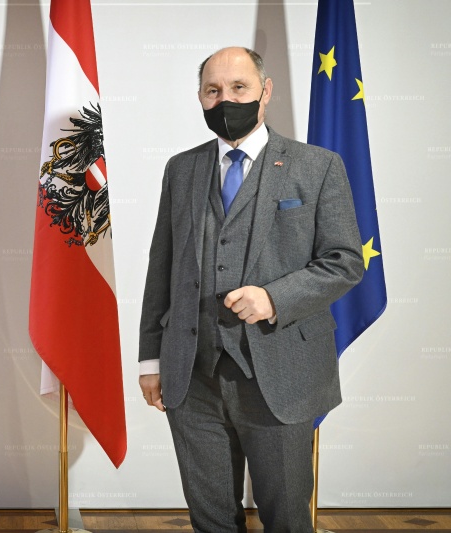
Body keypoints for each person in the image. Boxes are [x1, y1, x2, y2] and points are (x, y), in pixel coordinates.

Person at [138, 47, 364, 532]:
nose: (225, 100)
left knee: (286, 520)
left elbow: (346, 262)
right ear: (199, 98)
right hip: (191, 376)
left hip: (280, 375)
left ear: (265, 91)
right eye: (212, 91)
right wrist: (150, 359)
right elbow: (162, 268)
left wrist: (274, 298)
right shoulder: (181, 169)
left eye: (238, 88)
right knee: (211, 521)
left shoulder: (317, 166)